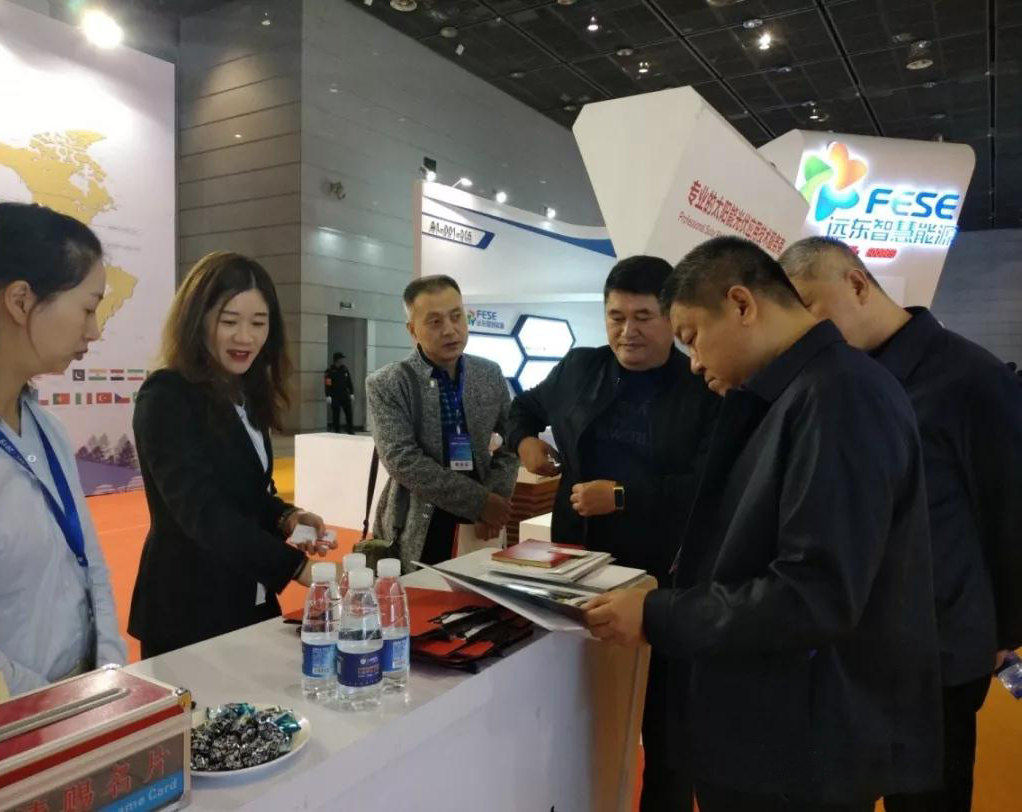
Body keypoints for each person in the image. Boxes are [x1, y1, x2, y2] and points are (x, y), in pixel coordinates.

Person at [585, 236, 942, 811]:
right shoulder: (796, 393)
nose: (694, 362)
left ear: (741, 304)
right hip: (774, 729)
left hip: (800, 744)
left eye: (692, 337)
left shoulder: (839, 397)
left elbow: (813, 595)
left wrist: (659, 614)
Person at [779, 236, 1022, 812]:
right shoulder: (829, 381)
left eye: (809, 307)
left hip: (940, 649)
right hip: (845, 648)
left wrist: (1002, 632)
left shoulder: (970, 377)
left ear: (856, 283)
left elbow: (1010, 512)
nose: (803, 331)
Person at [507, 255, 719, 810]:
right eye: (616, 317)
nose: (628, 331)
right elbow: (523, 408)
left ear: (672, 317)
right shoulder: (581, 367)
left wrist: (622, 495)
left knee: (666, 724)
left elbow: (708, 485)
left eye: (644, 317)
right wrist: (525, 442)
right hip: (574, 563)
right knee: (572, 703)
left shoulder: (700, 384)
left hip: (660, 576)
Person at [0, 203, 126, 716]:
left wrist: (109, 676)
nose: (94, 331)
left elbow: (91, 567)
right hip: (1, 729)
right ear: (21, 301)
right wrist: (71, 712)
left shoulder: (47, 429)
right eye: (87, 308)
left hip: (81, 706)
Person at [128, 252, 330, 658]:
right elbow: (202, 511)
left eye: (258, 323)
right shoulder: (166, 395)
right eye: (229, 321)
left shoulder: (244, 392)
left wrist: (286, 516)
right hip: (189, 610)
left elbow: (245, 491)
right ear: (197, 319)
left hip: (250, 599)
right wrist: (296, 568)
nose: (245, 337)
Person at [366, 274, 519, 571]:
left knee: (482, 591)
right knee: (420, 594)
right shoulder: (388, 383)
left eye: (456, 316)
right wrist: (479, 502)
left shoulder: (488, 373)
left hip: (483, 520)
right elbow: (402, 460)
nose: (450, 330)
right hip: (418, 521)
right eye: (435, 322)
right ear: (413, 330)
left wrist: (495, 498)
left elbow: (512, 439)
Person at [325, 351, 355, 434]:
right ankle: (337, 431)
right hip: (335, 395)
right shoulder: (330, 371)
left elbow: (349, 382)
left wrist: (351, 393)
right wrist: (328, 395)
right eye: (341, 358)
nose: (342, 360)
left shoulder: (344, 369)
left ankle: (350, 429)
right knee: (336, 414)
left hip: (344, 394)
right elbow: (328, 384)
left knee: (348, 413)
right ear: (337, 359)